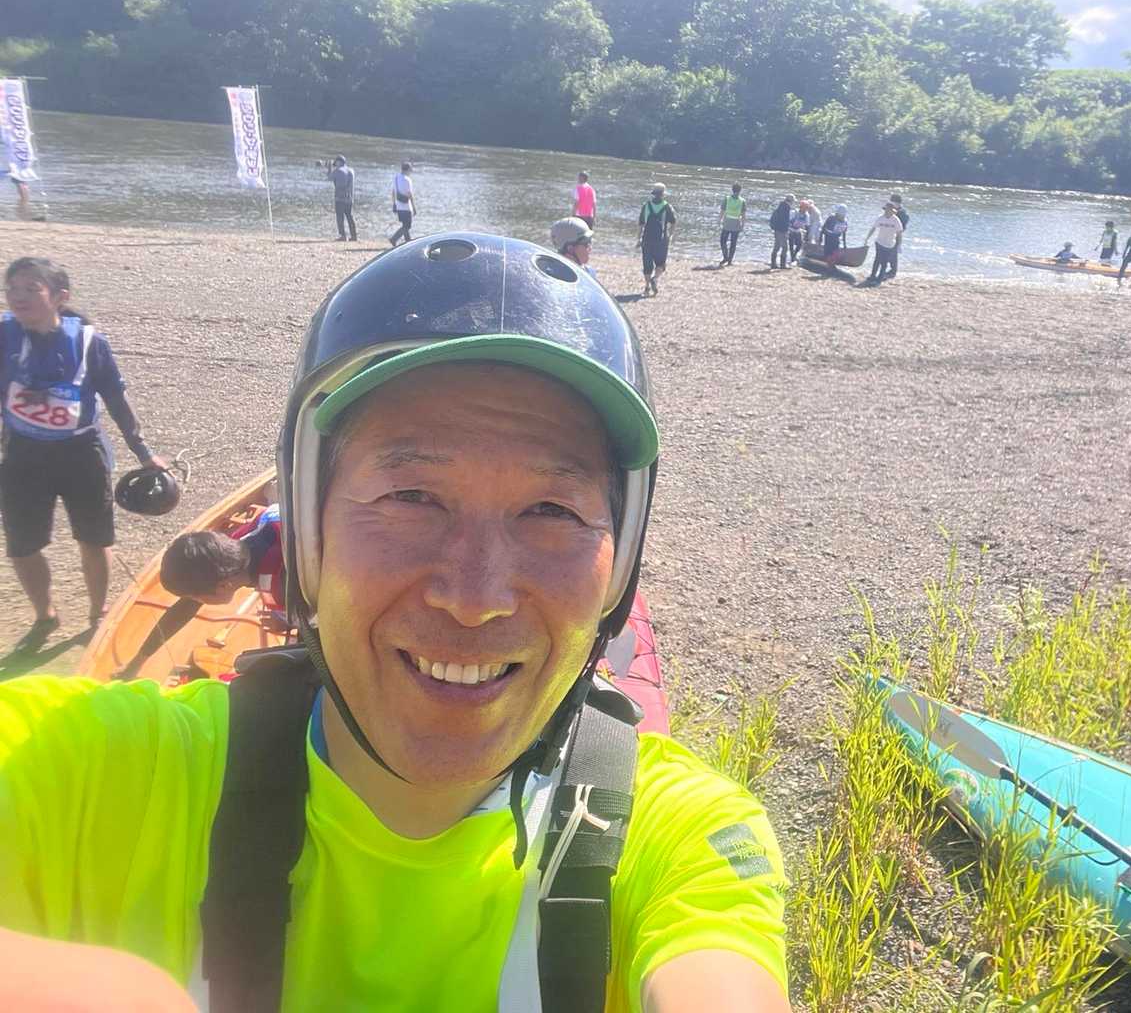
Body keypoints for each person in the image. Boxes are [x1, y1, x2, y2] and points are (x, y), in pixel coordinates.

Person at [0, 233, 790, 1011]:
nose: (475, 597)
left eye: (552, 510)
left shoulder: (673, 835)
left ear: (619, 567)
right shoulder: (98, 776)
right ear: (307, 537)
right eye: (411, 498)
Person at [0, 257, 168, 639]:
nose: (18, 297)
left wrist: (143, 452)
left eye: (31, 289)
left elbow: (116, 400)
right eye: (11, 289)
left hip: (81, 454)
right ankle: (45, 615)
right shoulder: (4, 337)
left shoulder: (89, 342)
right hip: (22, 455)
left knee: (93, 539)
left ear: (60, 297)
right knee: (22, 545)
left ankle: (97, 612)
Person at [159, 503, 285, 612]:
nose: (196, 601)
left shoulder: (279, 589)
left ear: (224, 586)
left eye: (194, 598)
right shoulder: (240, 536)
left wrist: (282, 624)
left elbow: (295, 617)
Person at [637, 183, 676, 296]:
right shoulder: (667, 206)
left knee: (647, 264)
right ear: (663, 194)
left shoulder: (646, 205)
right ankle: (655, 278)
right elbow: (673, 222)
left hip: (647, 239)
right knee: (661, 264)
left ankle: (647, 287)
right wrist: (670, 235)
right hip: (661, 240)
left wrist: (638, 238)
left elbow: (641, 224)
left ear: (653, 194)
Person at [864, 202, 905, 284]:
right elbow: (873, 228)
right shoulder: (880, 218)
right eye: (886, 210)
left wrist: (899, 245)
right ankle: (872, 276)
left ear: (892, 211)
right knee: (877, 260)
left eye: (889, 210)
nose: (886, 211)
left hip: (889, 244)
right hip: (879, 242)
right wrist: (867, 238)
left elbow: (899, 234)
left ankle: (879, 279)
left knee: (884, 262)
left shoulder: (896, 220)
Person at [388, 162, 417, 248]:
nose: (411, 171)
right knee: (407, 226)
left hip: (399, 205)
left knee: (405, 225)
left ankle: (408, 242)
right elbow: (410, 194)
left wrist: (394, 204)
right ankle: (394, 239)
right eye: (410, 169)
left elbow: (393, 192)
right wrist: (414, 207)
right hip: (406, 207)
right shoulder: (407, 180)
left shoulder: (396, 178)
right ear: (407, 169)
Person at [330, 155, 357, 242]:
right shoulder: (351, 170)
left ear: (339, 162)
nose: (335, 164)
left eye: (336, 163)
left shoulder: (338, 171)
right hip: (349, 198)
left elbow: (329, 177)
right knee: (349, 216)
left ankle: (343, 236)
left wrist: (329, 168)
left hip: (340, 198)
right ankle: (354, 236)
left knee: (340, 217)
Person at [884, 194, 910, 280]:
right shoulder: (893, 209)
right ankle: (888, 270)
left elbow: (902, 227)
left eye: (892, 202)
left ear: (897, 203)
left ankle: (893, 271)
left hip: (896, 235)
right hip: (888, 234)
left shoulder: (902, 213)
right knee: (887, 252)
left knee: (893, 253)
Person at [719, 183, 746, 266]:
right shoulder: (742, 201)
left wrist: (720, 221)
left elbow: (722, 211)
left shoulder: (727, 199)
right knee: (733, 243)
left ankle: (725, 257)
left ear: (732, 189)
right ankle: (730, 260)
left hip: (727, 222)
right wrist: (742, 225)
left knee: (723, 241)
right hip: (736, 223)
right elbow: (743, 215)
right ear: (740, 191)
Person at [768, 194, 794, 269]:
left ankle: (773, 264)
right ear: (790, 201)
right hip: (782, 230)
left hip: (777, 229)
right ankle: (782, 265)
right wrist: (787, 230)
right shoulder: (786, 208)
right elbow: (784, 221)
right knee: (785, 247)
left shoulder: (780, 206)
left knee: (777, 246)